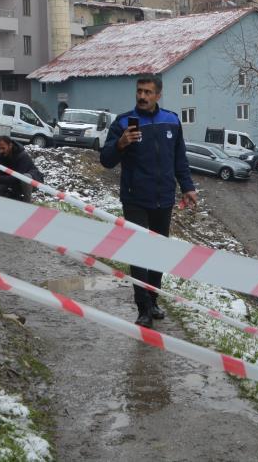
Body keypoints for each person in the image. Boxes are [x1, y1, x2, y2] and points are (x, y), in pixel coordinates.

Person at [100, 75, 198, 329]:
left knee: (158, 253)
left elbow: (180, 159)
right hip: (135, 198)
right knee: (139, 252)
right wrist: (120, 143)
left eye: (148, 92)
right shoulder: (123, 123)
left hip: (164, 198)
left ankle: (153, 300)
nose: (142, 96)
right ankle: (142, 306)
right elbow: (106, 160)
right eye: (139, 91)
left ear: (158, 95)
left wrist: (187, 187)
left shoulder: (172, 121)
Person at [0, 135, 41, 202]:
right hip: (13, 181)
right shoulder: (1, 156)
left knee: (25, 177)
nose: (1, 151)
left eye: (3, 148)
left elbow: (18, 177)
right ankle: (17, 201)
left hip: (32, 182)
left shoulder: (22, 156)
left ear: (10, 145)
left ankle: (27, 202)